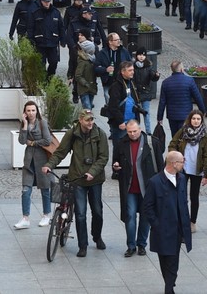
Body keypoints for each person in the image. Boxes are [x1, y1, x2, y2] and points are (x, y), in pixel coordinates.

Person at [43, 109, 110, 257]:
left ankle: (97, 236)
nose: (90, 122)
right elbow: (60, 152)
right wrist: (49, 165)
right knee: (80, 214)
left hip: (95, 180)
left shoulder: (100, 135)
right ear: (80, 120)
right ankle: (83, 245)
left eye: (92, 119)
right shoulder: (72, 134)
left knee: (97, 211)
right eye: (87, 120)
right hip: (77, 179)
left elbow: (103, 158)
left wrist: (92, 172)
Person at [142, 150, 192, 294]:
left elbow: (183, 201)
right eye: (182, 161)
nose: (184, 164)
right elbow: (148, 206)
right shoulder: (155, 182)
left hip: (177, 228)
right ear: (174, 163)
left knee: (173, 260)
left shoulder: (182, 179)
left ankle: (169, 288)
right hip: (162, 229)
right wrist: (157, 224)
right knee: (165, 259)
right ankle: (169, 285)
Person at [112, 119, 157, 257]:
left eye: (135, 131)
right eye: (129, 131)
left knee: (145, 217)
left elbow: (159, 164)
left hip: (147, 187)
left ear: (140, 129)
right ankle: (131, 245)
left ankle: (141, 244)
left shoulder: (151, 142)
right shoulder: (121, 143)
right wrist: (116, 167)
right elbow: (115, 163)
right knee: (130, 215)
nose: (132, 134)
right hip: (129, 187)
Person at [15, 100, 53, 229]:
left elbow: (48, 140)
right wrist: (25, 125)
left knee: (45, 189)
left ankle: (46, 215)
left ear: (37, 111)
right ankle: (25, 218)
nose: (31, 113)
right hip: (29, 161)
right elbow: (21, 140)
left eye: (33, 110)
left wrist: (32, 143)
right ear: (24, 113)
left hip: (42, 160)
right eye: (28, 111)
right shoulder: (24, 124)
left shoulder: (42, 123)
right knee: (26, 190)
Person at [156, 61, 206, 136]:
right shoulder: (189, 81)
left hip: (172, 116)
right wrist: (203, 111)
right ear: (182, 69)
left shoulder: (166, 82)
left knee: (175, 136)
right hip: (186, 115)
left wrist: (160, 117)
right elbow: (197, 97)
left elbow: (162, 102)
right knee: (186, 136)